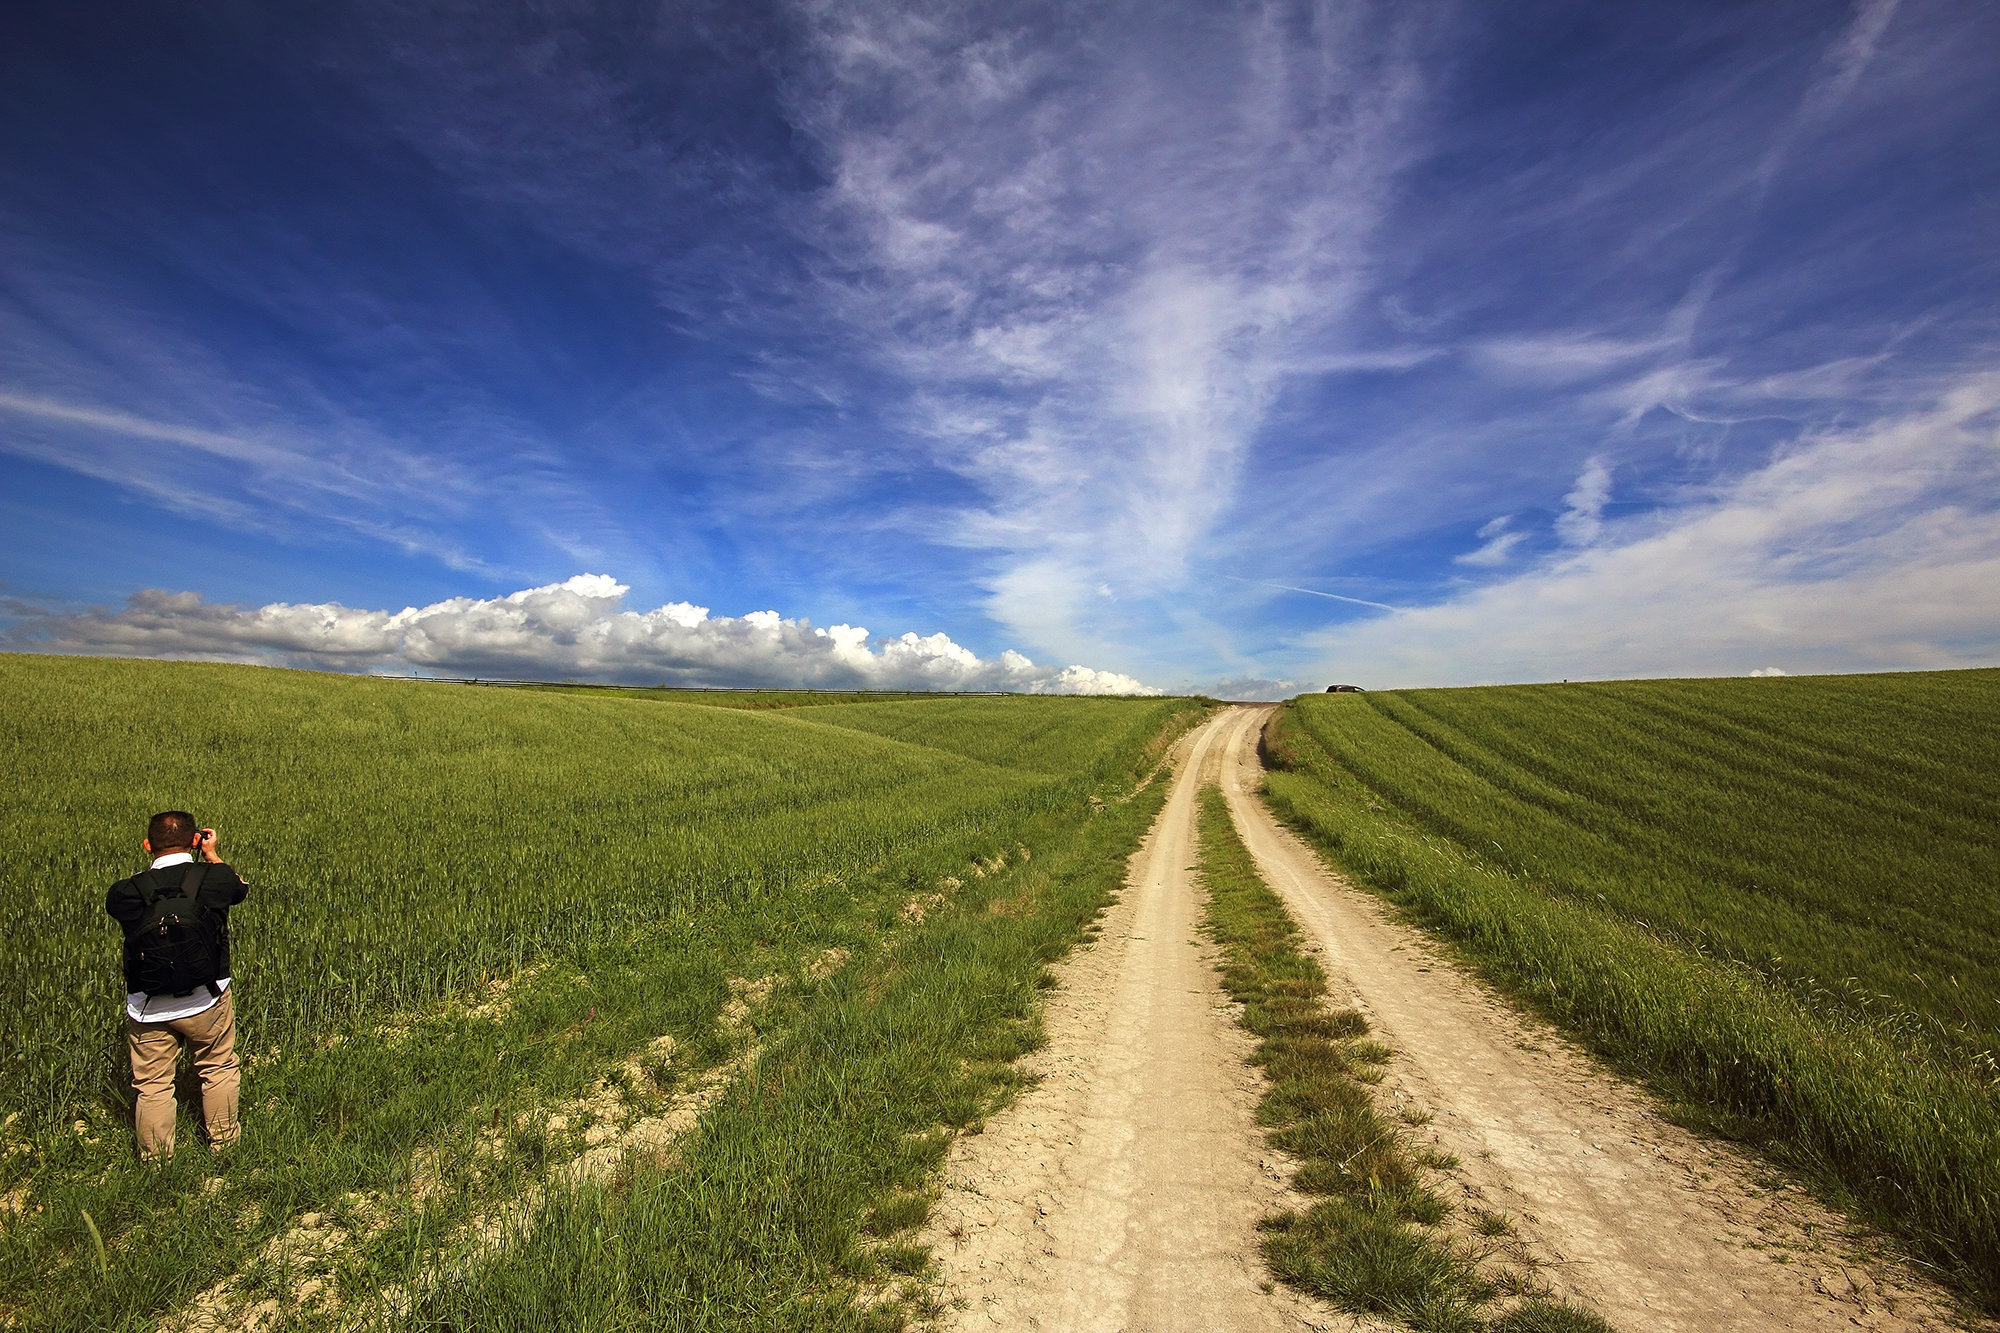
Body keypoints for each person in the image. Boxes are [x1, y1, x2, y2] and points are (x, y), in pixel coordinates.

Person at [105, 811, 250, 1160]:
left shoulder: (125, 892)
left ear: (147, 845)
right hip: (207, 998)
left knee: (152, 1085)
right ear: (195, 840)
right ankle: (224, 1148)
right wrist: (212, 854)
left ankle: (156, 1162)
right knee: (217, 1068)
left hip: (148, 1006)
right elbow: (239, 888)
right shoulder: (214, 878)